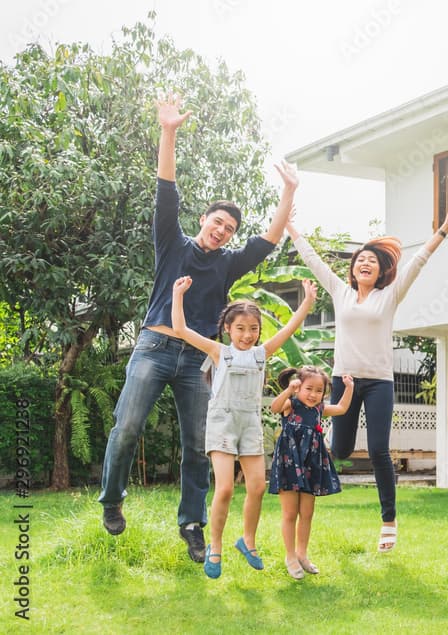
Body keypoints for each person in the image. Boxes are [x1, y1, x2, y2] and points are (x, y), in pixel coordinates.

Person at [97, 94, 298, 565]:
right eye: (218, 222)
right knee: (127, 427)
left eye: (229, 228)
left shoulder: (229, 264)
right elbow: (165, 188)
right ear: (203, 220)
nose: (223, 231)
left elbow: (269, 238)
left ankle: (191, 524)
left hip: (198, 361)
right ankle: (111, 499)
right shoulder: (172, 242)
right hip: (154, 345)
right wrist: (168, 131)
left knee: (196, 445)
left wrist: (288, 193)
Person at [287, 203, 448, 552]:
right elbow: (314, 261)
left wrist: (442, 232)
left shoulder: (390, 295)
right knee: (341, 449)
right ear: (352, 269)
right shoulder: (340, 292)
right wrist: (291, 228)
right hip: (344, 380)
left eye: (372, 261)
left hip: (379, 380)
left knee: (380, 449)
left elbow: (418, 264)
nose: (364, 263)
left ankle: (388, 521)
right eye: (359, 260)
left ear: (381, 271)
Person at [171, 275, 317, 578]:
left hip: (250, 423)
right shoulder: (219, 351)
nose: (247, 335)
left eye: (253, 329)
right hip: (223, 422)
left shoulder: (261, 354)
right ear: (227, 329)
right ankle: (215, 546)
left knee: (258, 487)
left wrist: (307, 302)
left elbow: (290, 329)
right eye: (240, 329)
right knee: (224, 488)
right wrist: (178, 295)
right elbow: (181, 330)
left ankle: (247, 541)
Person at [269, 366, 354, 579]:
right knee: (290, 513)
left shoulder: (319, 408)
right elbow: (274, 407)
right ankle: (290, 556)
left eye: (319, 390)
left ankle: (302, 554)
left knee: (307, 513)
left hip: (311, 462)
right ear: (298, 387)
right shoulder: (292, 404)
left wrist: (350, 387)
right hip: (290, 460)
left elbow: (343, 408)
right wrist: (289, 391)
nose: (313, 394)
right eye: (309, 389)